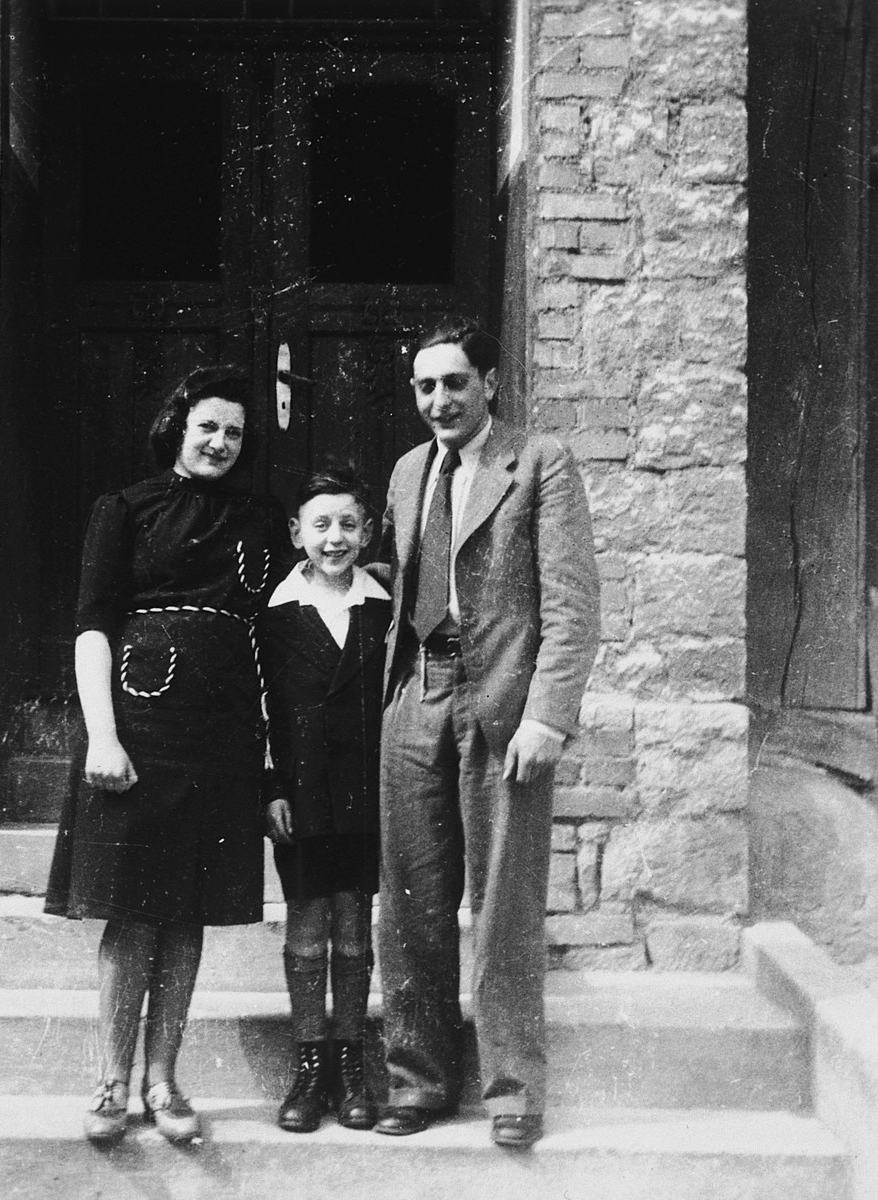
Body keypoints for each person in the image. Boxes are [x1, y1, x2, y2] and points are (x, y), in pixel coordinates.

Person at [44, 366, 287, 1148]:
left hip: (221, 738)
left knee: (188, 917)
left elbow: (276, 635)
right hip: (139, 731)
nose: (220, 442)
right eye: (208, 427)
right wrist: (103, 735)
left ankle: (164, 1079)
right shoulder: (125, 508)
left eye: (235, 434)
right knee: (133, 914)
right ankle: (113, 1081)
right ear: (179, 427)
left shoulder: (260, 519)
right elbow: (91, 627)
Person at [374, 317, 600, 1148]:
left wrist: (548, 713)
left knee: (502, 904)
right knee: (408, 902)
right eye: (426, 386)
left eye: (455, 383)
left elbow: (573, 607)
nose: (439, 400)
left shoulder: (540, 463)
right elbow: (412, 578)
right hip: (416, 695)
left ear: (490, 384)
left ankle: (511, 1093)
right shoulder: (407, 471)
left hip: (503, 701)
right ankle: (420, 1080)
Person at [259, 465, 391, 1134]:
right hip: (303, 796)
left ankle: (350, 1063)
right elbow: (259, 709)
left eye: (347, 524)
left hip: (367, 793)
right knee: (308, 931)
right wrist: (271, 787)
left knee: (353, 930)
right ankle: (308, 1067)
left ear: (367, 531)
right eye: (321, 525)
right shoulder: (275, 614)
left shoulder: (385, 610)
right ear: (297, 533)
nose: (334, 538)